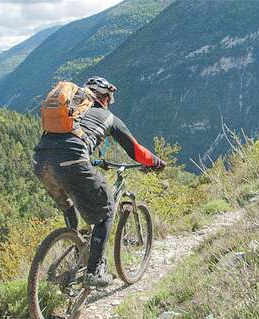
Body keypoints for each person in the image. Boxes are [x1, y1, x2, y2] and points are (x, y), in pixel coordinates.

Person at [33, 76, 165, 288]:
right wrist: (156, 162)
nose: (109, 103)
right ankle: (94, 270)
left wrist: (92, 160)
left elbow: (65, 144)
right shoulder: (107, 117)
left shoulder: (70, 115)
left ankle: (77, 250)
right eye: (110, 99)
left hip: (40, 161)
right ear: (105, 98)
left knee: (69, 205)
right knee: (106, 210)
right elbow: (136, 151)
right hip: (73, 161)